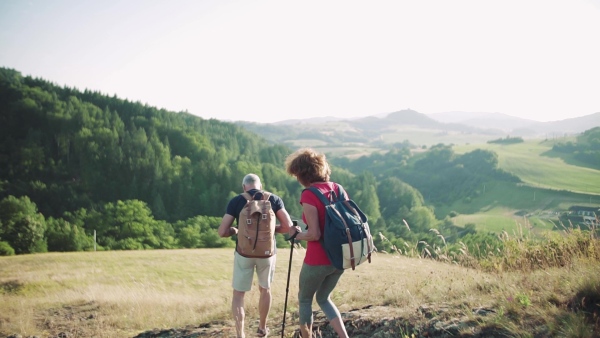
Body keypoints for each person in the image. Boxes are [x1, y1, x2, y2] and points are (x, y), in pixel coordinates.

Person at [218, 173, 293, 338]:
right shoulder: (273, 199)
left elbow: (222, 231)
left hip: (244, 253)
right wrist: (272, 231)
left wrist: (236, 231)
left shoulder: (237, 201)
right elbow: (288, 226)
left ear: (244, 187)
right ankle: (262, 328)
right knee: (265, 289)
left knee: (238, 294)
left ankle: (240, 334)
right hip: (267, 253)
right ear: (260, 185)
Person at [284, 148, 349, 338]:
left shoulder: (309, 194)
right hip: (340, 257)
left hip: (318, 258)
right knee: (323, 297)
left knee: (304, 300)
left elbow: (314, 234)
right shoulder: (338, 188)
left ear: (302, 174)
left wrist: (296, 235)